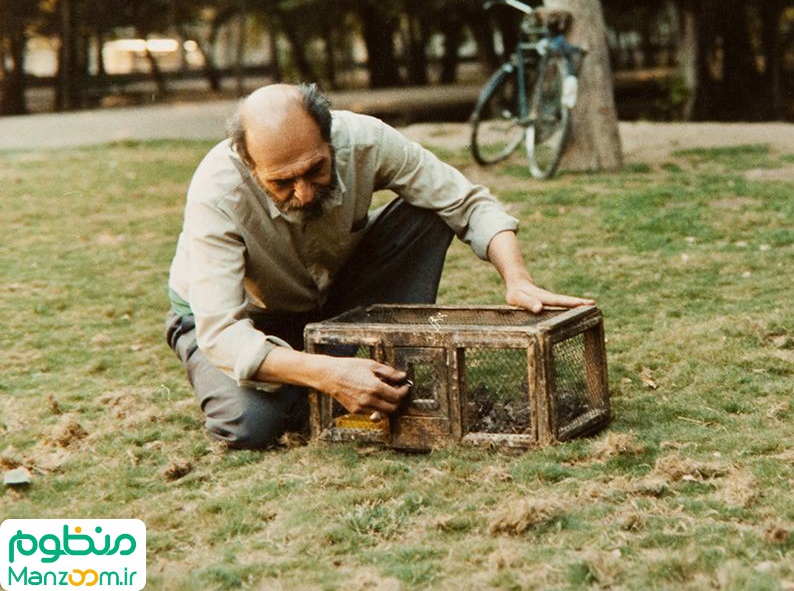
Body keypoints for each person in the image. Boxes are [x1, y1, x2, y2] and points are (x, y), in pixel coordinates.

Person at [165, 83, 590, 449]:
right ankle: (314, 372)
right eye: (281, 182)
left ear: (329, 136)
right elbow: (223, 335)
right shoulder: (215, 192)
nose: (305, 193)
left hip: (330, 298)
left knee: (429, 209)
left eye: (316, 170)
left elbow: (465, 201)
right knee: (250, 426)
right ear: (248, 162)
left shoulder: (365, 139)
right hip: (243, 321)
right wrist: (329, 375)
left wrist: (517, 278)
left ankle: (377, 351)